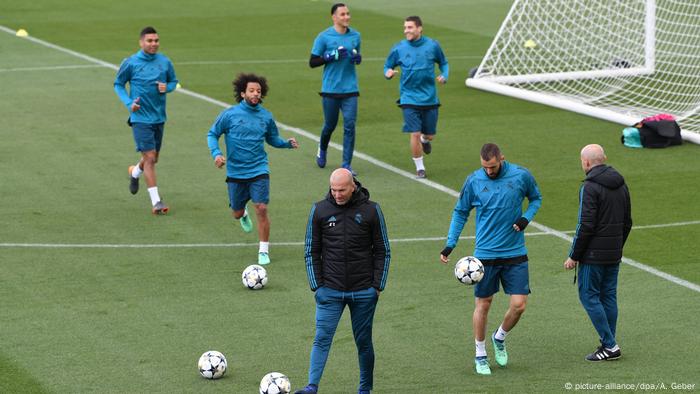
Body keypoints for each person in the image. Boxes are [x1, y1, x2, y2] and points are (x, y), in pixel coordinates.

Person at [440, 143, 542, 375]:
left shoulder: (521, 175)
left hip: (515, 252)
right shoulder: (474, 181)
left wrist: (526, 218)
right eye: (485, 167)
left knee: (519, 305)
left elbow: (536, 198)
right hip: (485, 255)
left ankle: (500, 336)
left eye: (493, 167)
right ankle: (480, 354)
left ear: (502, 159)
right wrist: (450, 244)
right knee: (483, 304)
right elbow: (460, 211)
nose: (489, 171)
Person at [296, 168, 390, 394]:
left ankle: (365, 389)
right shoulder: (319, 210)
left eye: (341, 190)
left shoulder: (371, 210)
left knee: (364, 342)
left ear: (353, 186)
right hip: (329, 291)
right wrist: (317, 286)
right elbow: (311, 250)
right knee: (321, 339)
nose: (337, 194)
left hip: (363, 291)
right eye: (333, 190)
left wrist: (377, 286)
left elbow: (383, 251)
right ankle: (312, 386)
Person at [206, 73, 299, 265]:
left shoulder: (266, 116)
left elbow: (272, 139)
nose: (256, 93)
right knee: (237, 213)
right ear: (242, 93)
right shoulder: (230, 114)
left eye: (258, 91)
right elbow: (212, 133)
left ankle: (263, 250)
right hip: (235, 172)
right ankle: (243, 213)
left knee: (262, 208)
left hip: (259, 169)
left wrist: (286, 144)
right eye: (251, 90)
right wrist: (216, 153)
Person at [564, 144, 632, 362]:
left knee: (589, 296)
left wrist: (574, 255)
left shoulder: (590, 187)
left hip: (592, 255)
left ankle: (610, 345)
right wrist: (617, 246)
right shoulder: (621, 184)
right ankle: (608, 343)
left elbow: (585, 225)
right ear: (604, 158)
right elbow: (628, 222)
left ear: (585, 162)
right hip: (614, 253)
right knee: (608, 296)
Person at [114, 26, 178, 214]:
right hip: (140, 118)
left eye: (156, 40)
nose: (153, 44)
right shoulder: (131, 63)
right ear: (141, 42)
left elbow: (174, 82)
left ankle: (135, 172)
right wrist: (128, 103)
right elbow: (118, 84)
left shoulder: (165, 62)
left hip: (159, 117)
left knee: (153, 158)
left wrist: (167, 87)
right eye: (149, 41)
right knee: (149, 157)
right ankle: (156, 202)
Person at [384, 16, 449, 179]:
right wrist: (388, 73)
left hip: (429, 98)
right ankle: (420, 168)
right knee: (414, 133)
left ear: (420, 28)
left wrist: (444, 74)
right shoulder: (399, 48)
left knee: (429, 135)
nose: (406, 30)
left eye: (410, 27)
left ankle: (425, 140)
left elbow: (443, 63)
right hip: (408, 98)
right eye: (405, 27)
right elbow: (387, 65)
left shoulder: (432, 45)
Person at [310, 3, 362, 175]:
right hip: (331, 89)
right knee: (330, 125)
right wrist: (331, 56)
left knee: (350, 125)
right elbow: (313, 62)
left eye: (348, 13)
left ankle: (346, 164)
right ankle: (322, 148)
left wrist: (357, 58)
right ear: (334, 17)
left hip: (350, 89)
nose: (346, 17)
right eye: (342, 14)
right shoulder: (324, 37)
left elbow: (356, 57)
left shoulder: (355, 35)